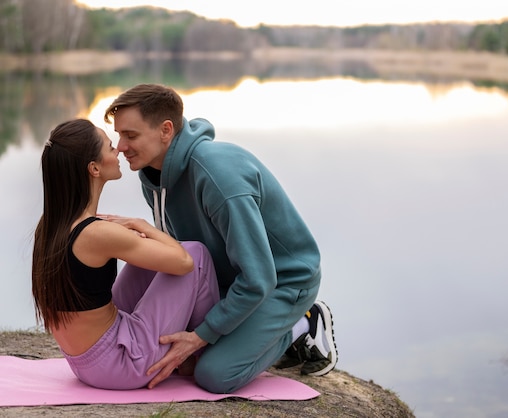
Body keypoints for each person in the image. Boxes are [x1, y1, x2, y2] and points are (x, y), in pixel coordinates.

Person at [103, 83, 338, 394]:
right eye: (119, 135)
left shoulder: (219, 176)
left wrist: (201, 335)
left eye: (130, 135)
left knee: (214, 374)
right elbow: (183, 252)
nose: (120, 146)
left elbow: (259, 278)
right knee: (156, 349)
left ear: (165, 130)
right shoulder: (154, 176)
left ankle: (301, 324)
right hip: (225, 276)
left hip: (280, 282)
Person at [31, 118, 220, 390]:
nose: (118, 150)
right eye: (109, 147)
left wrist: (138, 234)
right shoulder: (96, 233)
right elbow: (184, 262)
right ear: (94, 168)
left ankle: (188, 348)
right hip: (121, 365)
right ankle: (199, 352)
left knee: (147, 259)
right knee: (197, 254)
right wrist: (142, 225)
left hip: (85, 363)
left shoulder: (52, 225)